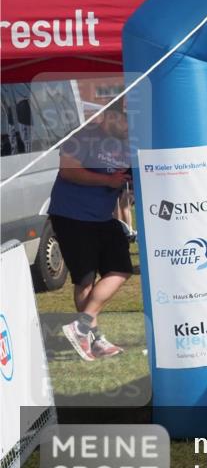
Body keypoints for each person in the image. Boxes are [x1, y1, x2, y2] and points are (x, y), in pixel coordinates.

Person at [50, 98, 132, 360]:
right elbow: (68, 171)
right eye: (127, 120)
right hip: (71, 215)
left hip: (101, 218)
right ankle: (95, 341)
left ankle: (81, 325)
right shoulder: (83, 136)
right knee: (85, 279)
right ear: (110, 116)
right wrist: (107, 180)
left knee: (120, 268)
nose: (130, 127)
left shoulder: (128, 144)